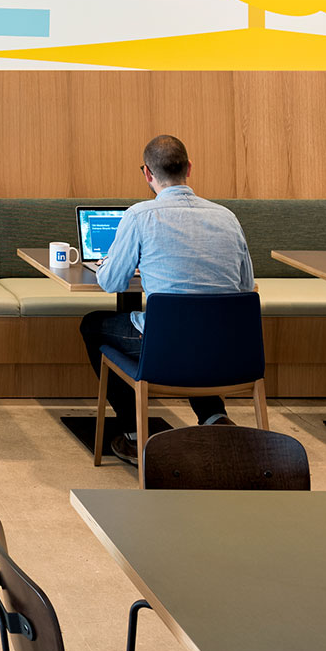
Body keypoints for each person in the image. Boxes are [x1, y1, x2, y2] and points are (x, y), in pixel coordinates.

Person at [82, 134, 255, 465]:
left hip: (167, 346)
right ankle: (215, 417)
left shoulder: (140, 215)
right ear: (189, 168)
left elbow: (112, 283)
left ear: (147, 173)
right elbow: (245, 287)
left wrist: (113, 263)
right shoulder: (227, 217)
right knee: (193, 333)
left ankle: (134, 435)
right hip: (229, 348)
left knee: (92, 325)